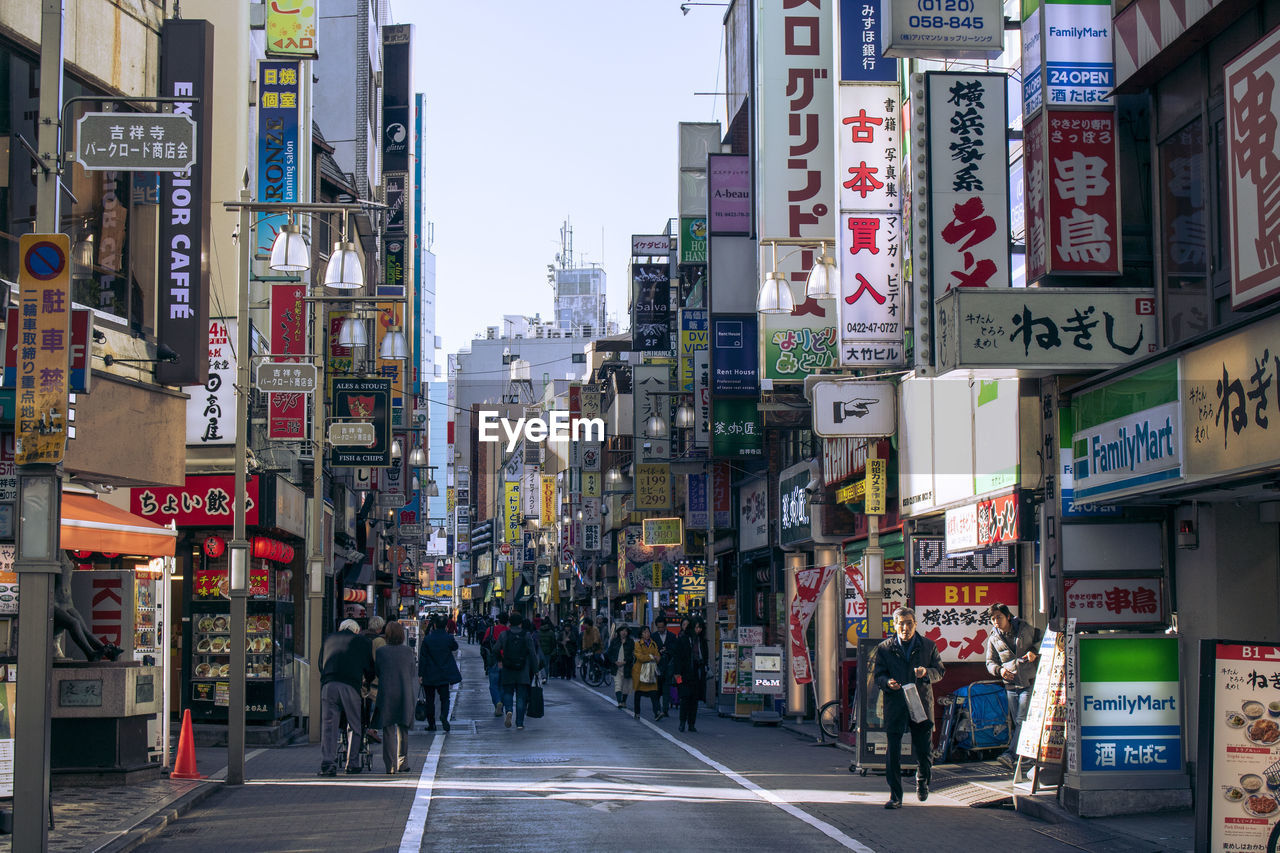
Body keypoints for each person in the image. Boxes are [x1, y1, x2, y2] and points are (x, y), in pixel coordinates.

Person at [873, 607, 945, 809]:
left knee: (924, 749)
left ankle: (923, 780)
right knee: (893, 750)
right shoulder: (885, 648)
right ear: (894, 625)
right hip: (895, 702)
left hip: (920, 701)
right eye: (901, 623)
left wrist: (926, 672)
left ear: (915, 624)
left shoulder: (928, 646)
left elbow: (940, 671)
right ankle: (895, 795)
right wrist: (887, 683)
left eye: (909, 623)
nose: (905, 628)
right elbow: (878, 675)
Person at [984, 602, 1040, 772]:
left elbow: (1044, 641)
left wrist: (1034, 651)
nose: (996, 621)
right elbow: (989, 662)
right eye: (993, 619)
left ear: (1008, 616)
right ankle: (1028, 757)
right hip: (1010, 684)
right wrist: (1000, 671)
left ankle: (1010, 754)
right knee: (1018, 722)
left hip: (1028, 681)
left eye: (998, 617)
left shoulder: (1026, 629)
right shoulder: (993, 638)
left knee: (1022, 720)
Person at [318, 619, 374, 776]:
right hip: (350, 685)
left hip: (329, 685)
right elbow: (369, 668)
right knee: (355, 725)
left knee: (329, 726)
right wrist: (367, 682)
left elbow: (320, 664)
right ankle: (352, 763)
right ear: (356, 630)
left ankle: (328, 764)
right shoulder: (362, 641)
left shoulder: (329, 638)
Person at [375, 620, 417, 774]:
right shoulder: (408, 652)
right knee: (403, 729)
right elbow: (412, 672)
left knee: (388, 730)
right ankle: (403, 762)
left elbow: (377, 671)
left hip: (386, 692)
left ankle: (390, 765)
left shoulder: (381, 652)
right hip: (405, 693)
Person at [498, 614, 543, 730]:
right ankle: (519, 723)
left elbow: (495, 649)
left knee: (508, 692)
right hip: (523, 670)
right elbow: (532, 654)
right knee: (521, 697)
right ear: (520, 623)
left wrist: (500, 660)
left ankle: (508, 710)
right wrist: (536, 670)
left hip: (508, 669)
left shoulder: (504, 635)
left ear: (509, 623)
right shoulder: (526, 635)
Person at [418, 614, 462, 732]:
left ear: (435, 625)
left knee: (430, 700)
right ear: (446, 625)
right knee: (445, 698)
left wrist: (420, 674)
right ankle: (443, 715)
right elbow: (455, 647)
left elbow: (423, 658)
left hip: (429, 673)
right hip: (444, 673)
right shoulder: (448, 638)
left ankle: (431, 724)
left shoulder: (428, 639)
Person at [672, 617, 707, 732]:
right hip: (684, 673)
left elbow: (705, 656)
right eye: (696, 627)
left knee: (694, 700)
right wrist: (677, 673)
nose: (698, 630)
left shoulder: (701, 640)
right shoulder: (683, 640)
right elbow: (677, 658)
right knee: (685, 698)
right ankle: (682, 722)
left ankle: (691, 723)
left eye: (700, 627)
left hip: (697, 673)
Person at [360, 616, 387, 743]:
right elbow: (380, 661)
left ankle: (361, 730)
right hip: (374, 679)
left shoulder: (361, 637)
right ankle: (372, 729)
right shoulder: (379, 641)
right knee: (380, 704)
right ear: (380, 627)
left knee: (362, 706)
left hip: (360, 677)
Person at [631, 626, 662, 721]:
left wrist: (655, 657)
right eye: (644, 632)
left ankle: (657, 712)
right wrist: (652, 657)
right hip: (640, 672)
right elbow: (640, 657)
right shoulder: (637, 644)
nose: (647, 634)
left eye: (648, 632)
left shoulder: (653, 644)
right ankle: (637, 712)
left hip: (651, 671)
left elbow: (658, 657)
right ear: (641, 634)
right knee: (638, 693)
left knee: (654, 693)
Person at [481, 613, 510, 717]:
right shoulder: (508, 631)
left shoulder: (491, 629)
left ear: (498, 620)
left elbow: (484, 643)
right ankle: (501, 706)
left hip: (493, 660)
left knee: (493, 685)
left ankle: (497, 702)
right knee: (502, 685)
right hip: (506, 661)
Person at [651, 615, 675, 720]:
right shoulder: (653, 636)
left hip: (668, 666)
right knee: (656, 689)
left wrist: (667, 651)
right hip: (656, 666)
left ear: (665, 626)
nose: (660, 629)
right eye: (659, 627)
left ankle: (665, 710)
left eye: (662, 627)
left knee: (666, 689)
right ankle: (657, 709)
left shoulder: (672, 636)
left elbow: (675, 649)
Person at [605, 625, 635, 709]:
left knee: (626, 686)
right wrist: (614, 661)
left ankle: (624, 701)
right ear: (619, 632)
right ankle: (619, 702)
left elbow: (633, 655)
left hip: (627, 666)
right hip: (616, 667)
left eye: (625, 631)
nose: (624, 632)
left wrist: (625, 661)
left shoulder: (631, 642)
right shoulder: (614, 641)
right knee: (618, 684)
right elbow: (609, 653)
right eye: (622, 630)